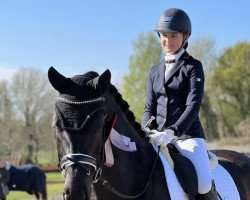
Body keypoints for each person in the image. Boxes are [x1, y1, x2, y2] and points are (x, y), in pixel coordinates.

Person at [141, 8, 218, 199]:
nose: (168, 40)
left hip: (187, 135)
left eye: (173, 35)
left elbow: (193, 106)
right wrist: (144, 129)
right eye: (164, 35)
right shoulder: (154, 71)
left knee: (203, 184)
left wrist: (173, 131)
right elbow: (149, 107)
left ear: (185, 37)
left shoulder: (193, 67)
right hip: (157, 136)